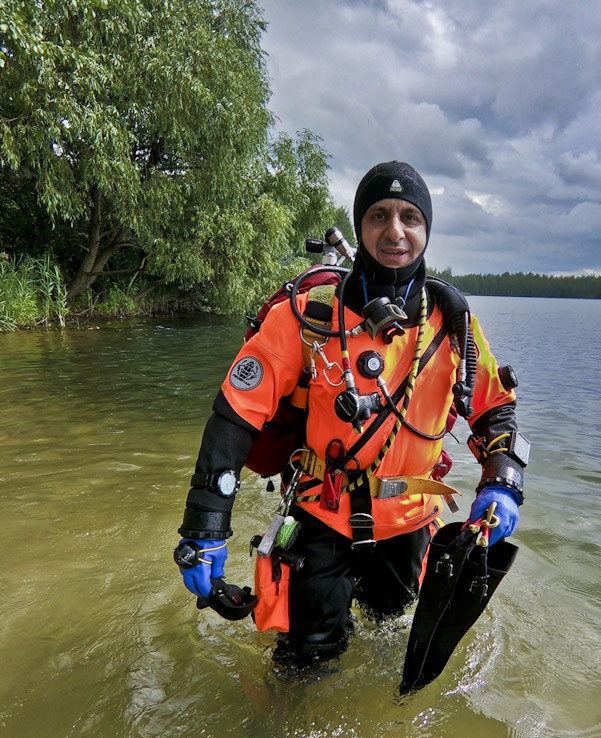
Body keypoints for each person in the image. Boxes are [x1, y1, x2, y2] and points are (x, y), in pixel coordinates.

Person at [174, 161, 528, 662]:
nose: (395, 231)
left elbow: (495, 410)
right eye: (379, 214)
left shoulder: (454, 326)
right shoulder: (307, 315)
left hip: (409, 524)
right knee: (306, 667)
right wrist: (206, 525)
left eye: (411, 217)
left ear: (426, 229)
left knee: (391, 645)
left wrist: (503, 483)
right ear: (360, 224)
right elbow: (235, 415)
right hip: (321, 520)